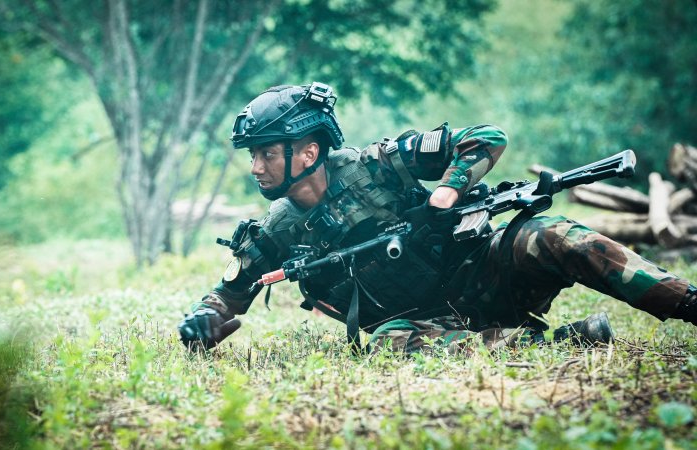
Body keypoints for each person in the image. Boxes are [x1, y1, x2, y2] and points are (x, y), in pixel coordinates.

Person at [178, 82, 697, 354]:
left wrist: (446, 194)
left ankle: (684, 301)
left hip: (483, 276)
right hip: (427, 325)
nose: (255, 167)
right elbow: (231, 292)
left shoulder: (377, 164)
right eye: (253, 155)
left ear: (308, 151)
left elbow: (487, 137)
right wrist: (206, 319)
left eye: (266, 153)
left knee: (552, 234)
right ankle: (564, 343)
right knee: (389, 344)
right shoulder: (280, 228)